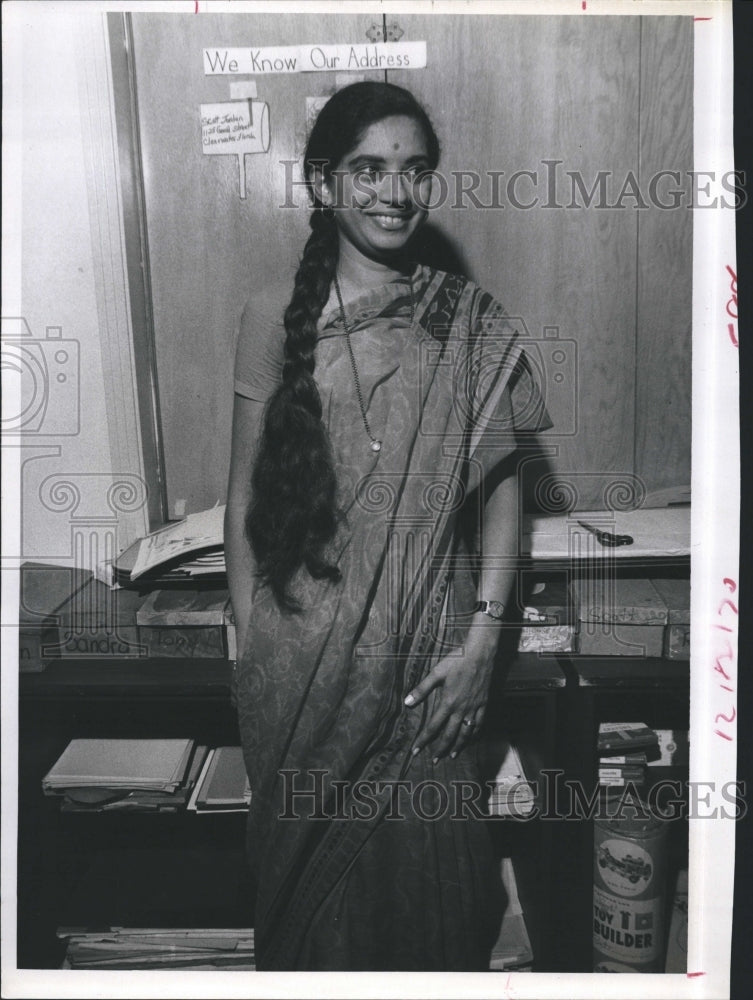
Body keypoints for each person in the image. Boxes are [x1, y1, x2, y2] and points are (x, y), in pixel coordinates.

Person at [225, 81, 549, 971]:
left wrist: (482, 645)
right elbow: (242, 495)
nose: (394, 192)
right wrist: (251, 648)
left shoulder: (466, 320)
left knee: (435, 910)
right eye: (369, 169)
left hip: (426, 670)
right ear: (324, 183)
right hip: (298, 671)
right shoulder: (270, 315)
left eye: (413, 170)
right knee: (307, 924)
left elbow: (503, 494)